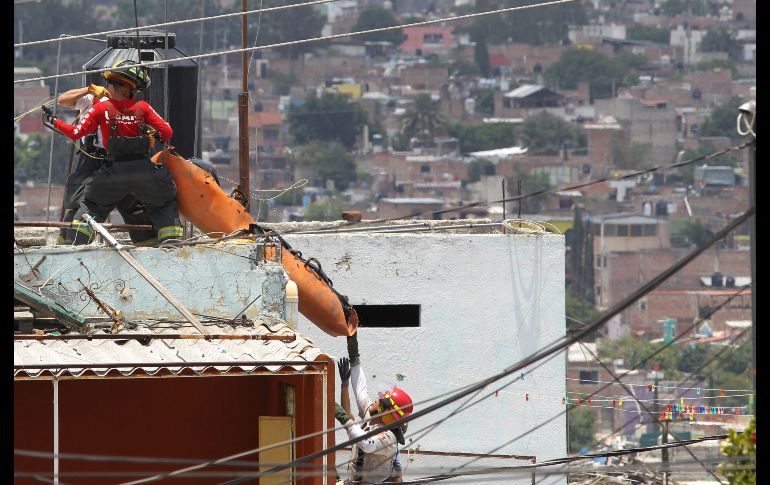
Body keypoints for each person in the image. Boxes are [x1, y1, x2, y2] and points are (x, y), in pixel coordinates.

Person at [42, 59, 183, 245]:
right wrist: (153, 135)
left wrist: (53, 121)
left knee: (90, 206)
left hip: (112, 171)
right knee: (163, 200)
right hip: (143, 171)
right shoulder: (143, 107)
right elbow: (167, 131)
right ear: (132, 88)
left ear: (114, 83)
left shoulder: (101, 108)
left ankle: (76, 242)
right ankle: (170, 240)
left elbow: (75, 132)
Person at [56, 83, 156, 245]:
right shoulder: (93, 99)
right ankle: (70, 242)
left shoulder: (132, 105)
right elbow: (62, 100)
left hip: (118, 160)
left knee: (132, 203)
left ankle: (148, 242)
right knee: (77, 202)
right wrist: (88, 89)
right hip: (91, 159)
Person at [335, 334, 413, 484]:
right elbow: (360, 390)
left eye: (381, 401)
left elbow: (367, 444)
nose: (375, 401)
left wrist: (343, 418)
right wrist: (352, 342)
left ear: (387, 413)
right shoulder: (371, 416)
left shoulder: (389, 439)